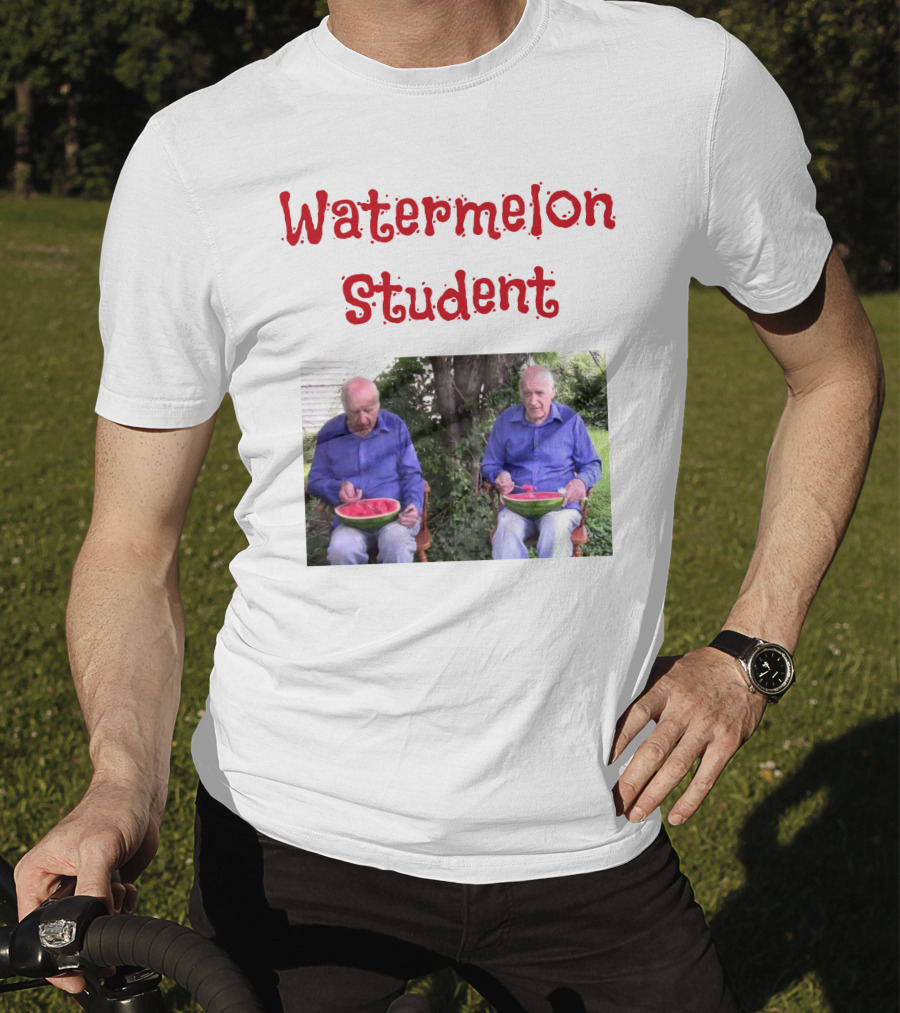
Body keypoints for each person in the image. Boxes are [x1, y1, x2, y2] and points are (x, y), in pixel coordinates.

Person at [14, 1, 883, 1012]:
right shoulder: (196, 158)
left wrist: (751, 649)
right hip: (289, 836)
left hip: (590, 832)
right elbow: (130, 543)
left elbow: (836, 372)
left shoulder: (686, 86)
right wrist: (121, 780)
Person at [482, 364, 601, 559]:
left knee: (555, 528)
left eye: (539, 393)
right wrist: (499, 474)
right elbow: (489, 464)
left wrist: (582, 481)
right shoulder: (505, 421)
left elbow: (592, 464)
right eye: (527, 393)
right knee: (505, 534)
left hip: (560, 507)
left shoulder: (571, 420)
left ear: (553, 391)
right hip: (516, 508)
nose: (533, 401)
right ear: (520, 394)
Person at [307, 377, 425, 564]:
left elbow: (411, 474)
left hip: (395, 518)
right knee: (341, 550)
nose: (363, 419)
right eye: (355, 412)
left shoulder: (395, 426)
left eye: (368, 410)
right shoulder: (328, 434)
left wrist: (414, 504)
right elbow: (314, 481)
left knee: (396, 543)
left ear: (378, 405)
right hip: (350, 523)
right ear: (345, 409)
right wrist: (337, 488)